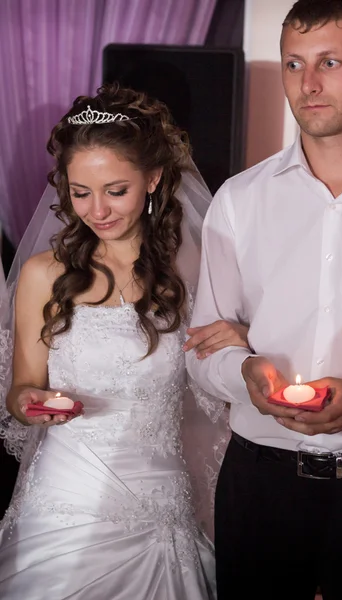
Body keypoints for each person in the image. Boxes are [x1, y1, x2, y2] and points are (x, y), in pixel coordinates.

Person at [0, 83, 249, 600]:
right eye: (80, 191)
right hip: (63, 499)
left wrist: (242, 338)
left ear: (153, 179)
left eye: (116, 190)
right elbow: (22, 388)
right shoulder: (43, 274)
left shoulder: (196, 272)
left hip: (162, 501)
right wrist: (29, 401)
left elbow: (223, 378)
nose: (98, 210)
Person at [185, 1, 342, 598]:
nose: (308, 84)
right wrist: (244, 371)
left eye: (329, 62)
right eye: (293, 64)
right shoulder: (239, 200)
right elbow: (202, 351)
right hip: (259, 485)